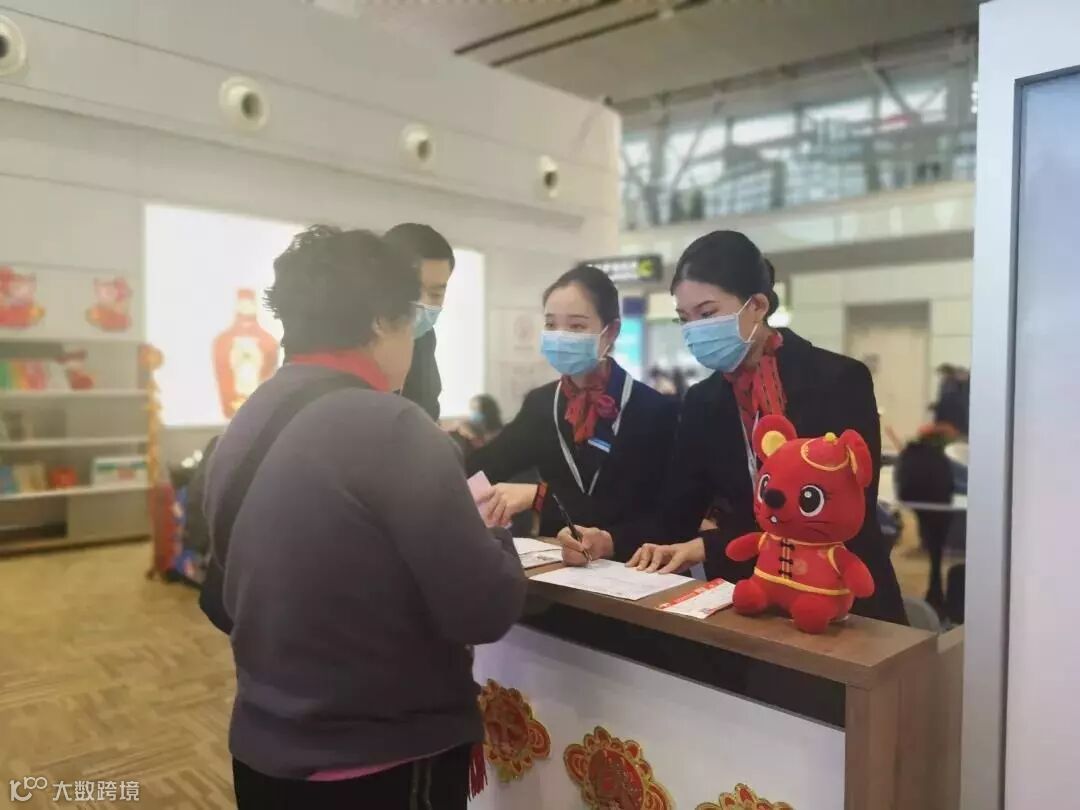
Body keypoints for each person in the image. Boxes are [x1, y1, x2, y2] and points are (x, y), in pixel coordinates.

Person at [204, 226, 526, 809]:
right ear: (381, 322)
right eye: (412, 317)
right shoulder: (396, 428)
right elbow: (482, 607)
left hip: (263, 747)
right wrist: (495, 535)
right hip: (384, 760)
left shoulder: (247, 422)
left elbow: (231, 588)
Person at [567, 230, 906, 625]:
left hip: (842, 598)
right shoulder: (703, 402)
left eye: (707, 314)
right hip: (754, 600)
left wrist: (708, 546)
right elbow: (674, 516)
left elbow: (841, 511)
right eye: (684, 319)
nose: (694, 331)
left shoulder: (838, 380)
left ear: (757, 305)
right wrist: (608, 540)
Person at [466, 265, 680, 544]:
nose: (561, 336)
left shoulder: (653, 409)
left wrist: (538, 496)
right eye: (551, 325)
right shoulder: (542, 404)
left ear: (611, 332)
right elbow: (486, 465)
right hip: (558, 560)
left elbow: (652, 514)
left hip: (632, 562)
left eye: (577, 326)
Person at [384, 223, 455, 420]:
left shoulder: (425, 338)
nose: (424, 303)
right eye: (413, 290)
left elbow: (427, 407)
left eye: (436, 294)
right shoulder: (352, 339)